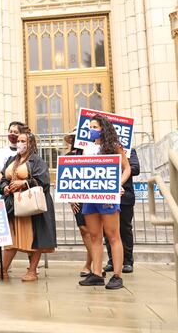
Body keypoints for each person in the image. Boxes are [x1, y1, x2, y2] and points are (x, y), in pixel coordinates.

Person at [79, 114, 131, 289]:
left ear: (103, 128)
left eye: (95, 127)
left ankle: (117, 275)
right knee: (94, 235)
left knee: (113, 235)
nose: (91, 130)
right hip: (90, 196)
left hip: (107, 195)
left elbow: (127, 168)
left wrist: (118, 184)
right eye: (90, 127)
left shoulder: (115, 147)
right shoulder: (87, 148)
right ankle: (97, 273)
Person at [0, 129, 57, 281]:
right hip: (14, 204)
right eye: (18, 141)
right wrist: (5, 187)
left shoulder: (37, 161)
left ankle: (32, 270)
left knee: (34, 236)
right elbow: (3, 178)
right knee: (11, 238)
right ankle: (3, 270)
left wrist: (24, 183)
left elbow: (43, 181)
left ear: (30, 143)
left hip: (32, 205)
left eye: (23, 141)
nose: (19, 143)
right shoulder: (11, 160)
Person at [103, 149, 140, 274]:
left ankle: (128, 261)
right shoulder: (103, 150)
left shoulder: (130, 151)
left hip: (125, 196)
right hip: (106, 196)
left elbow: (135, 169)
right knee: (107, 230)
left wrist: (119, 163)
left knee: (125, 229)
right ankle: (112, 260)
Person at [64, 129, 92, 277]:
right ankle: (90, 263)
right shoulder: (69, 156)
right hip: (78, 197)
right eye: (73, 137)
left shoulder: (93, 153)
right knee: (83, 229)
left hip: (94, 195)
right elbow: (66, 179)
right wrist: (71, 198)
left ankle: (93, 264)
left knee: (94, 231)